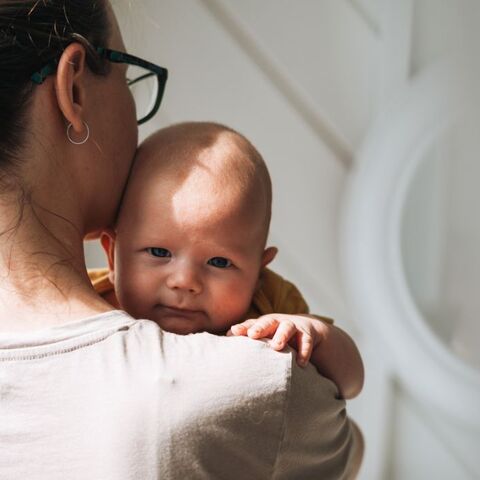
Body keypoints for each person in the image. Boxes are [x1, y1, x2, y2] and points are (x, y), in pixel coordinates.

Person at [0, 1, 363, 479]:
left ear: (260, 268)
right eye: (129, 77)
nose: (185, 282)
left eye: (218, 262)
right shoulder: (261, 385)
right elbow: (348, 451)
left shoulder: (271, 323)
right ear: (74, 89)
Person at [90, 121, 364, 399]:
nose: (185, 282)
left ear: (258, 274)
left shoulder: (270, 311)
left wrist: (314, 334)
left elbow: (352, 382)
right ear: (112, 255)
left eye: (219, 262)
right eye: (159, 253)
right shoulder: (86, 300)